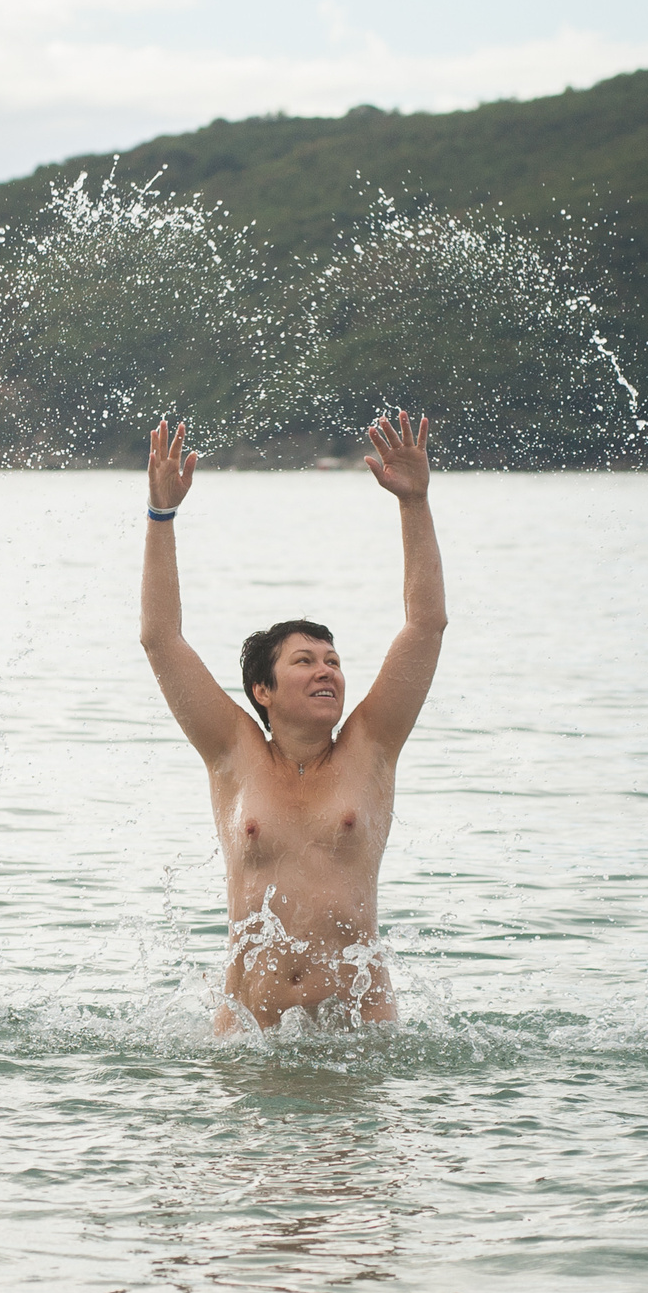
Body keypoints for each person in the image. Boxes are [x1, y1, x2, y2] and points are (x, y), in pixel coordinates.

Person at [137, 411, 446, 1031]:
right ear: (263, 690)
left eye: (332, 660)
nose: (326, 670)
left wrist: (414, 504)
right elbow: (161, 639)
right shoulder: (233, 754)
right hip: (250, 1038)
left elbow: (425, 625)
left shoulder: (372, 746)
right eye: (304, 662)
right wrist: (161, 517)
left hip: (358, 1036)